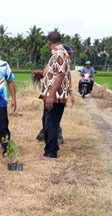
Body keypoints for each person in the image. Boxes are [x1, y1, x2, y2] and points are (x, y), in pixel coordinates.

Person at [39, 31, 71, 160]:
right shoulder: (61, 53)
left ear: (49, 43)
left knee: (50, 124)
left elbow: (60, 74)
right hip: (53, 95)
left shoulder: (60, 53)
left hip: (56, 96)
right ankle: (52, 148)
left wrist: (51, 95)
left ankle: (50, 153)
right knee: (48, 122)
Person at [36, 44, 74, 144]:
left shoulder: (64, 64)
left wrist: (71, 93)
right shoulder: (54, 61)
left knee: (53, 119)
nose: (68, 55)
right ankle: (45, 134)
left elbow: (67, 79)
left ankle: (56, 138)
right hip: (49, 95)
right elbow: (46, 74)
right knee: (46, 118)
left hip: (57, 96)